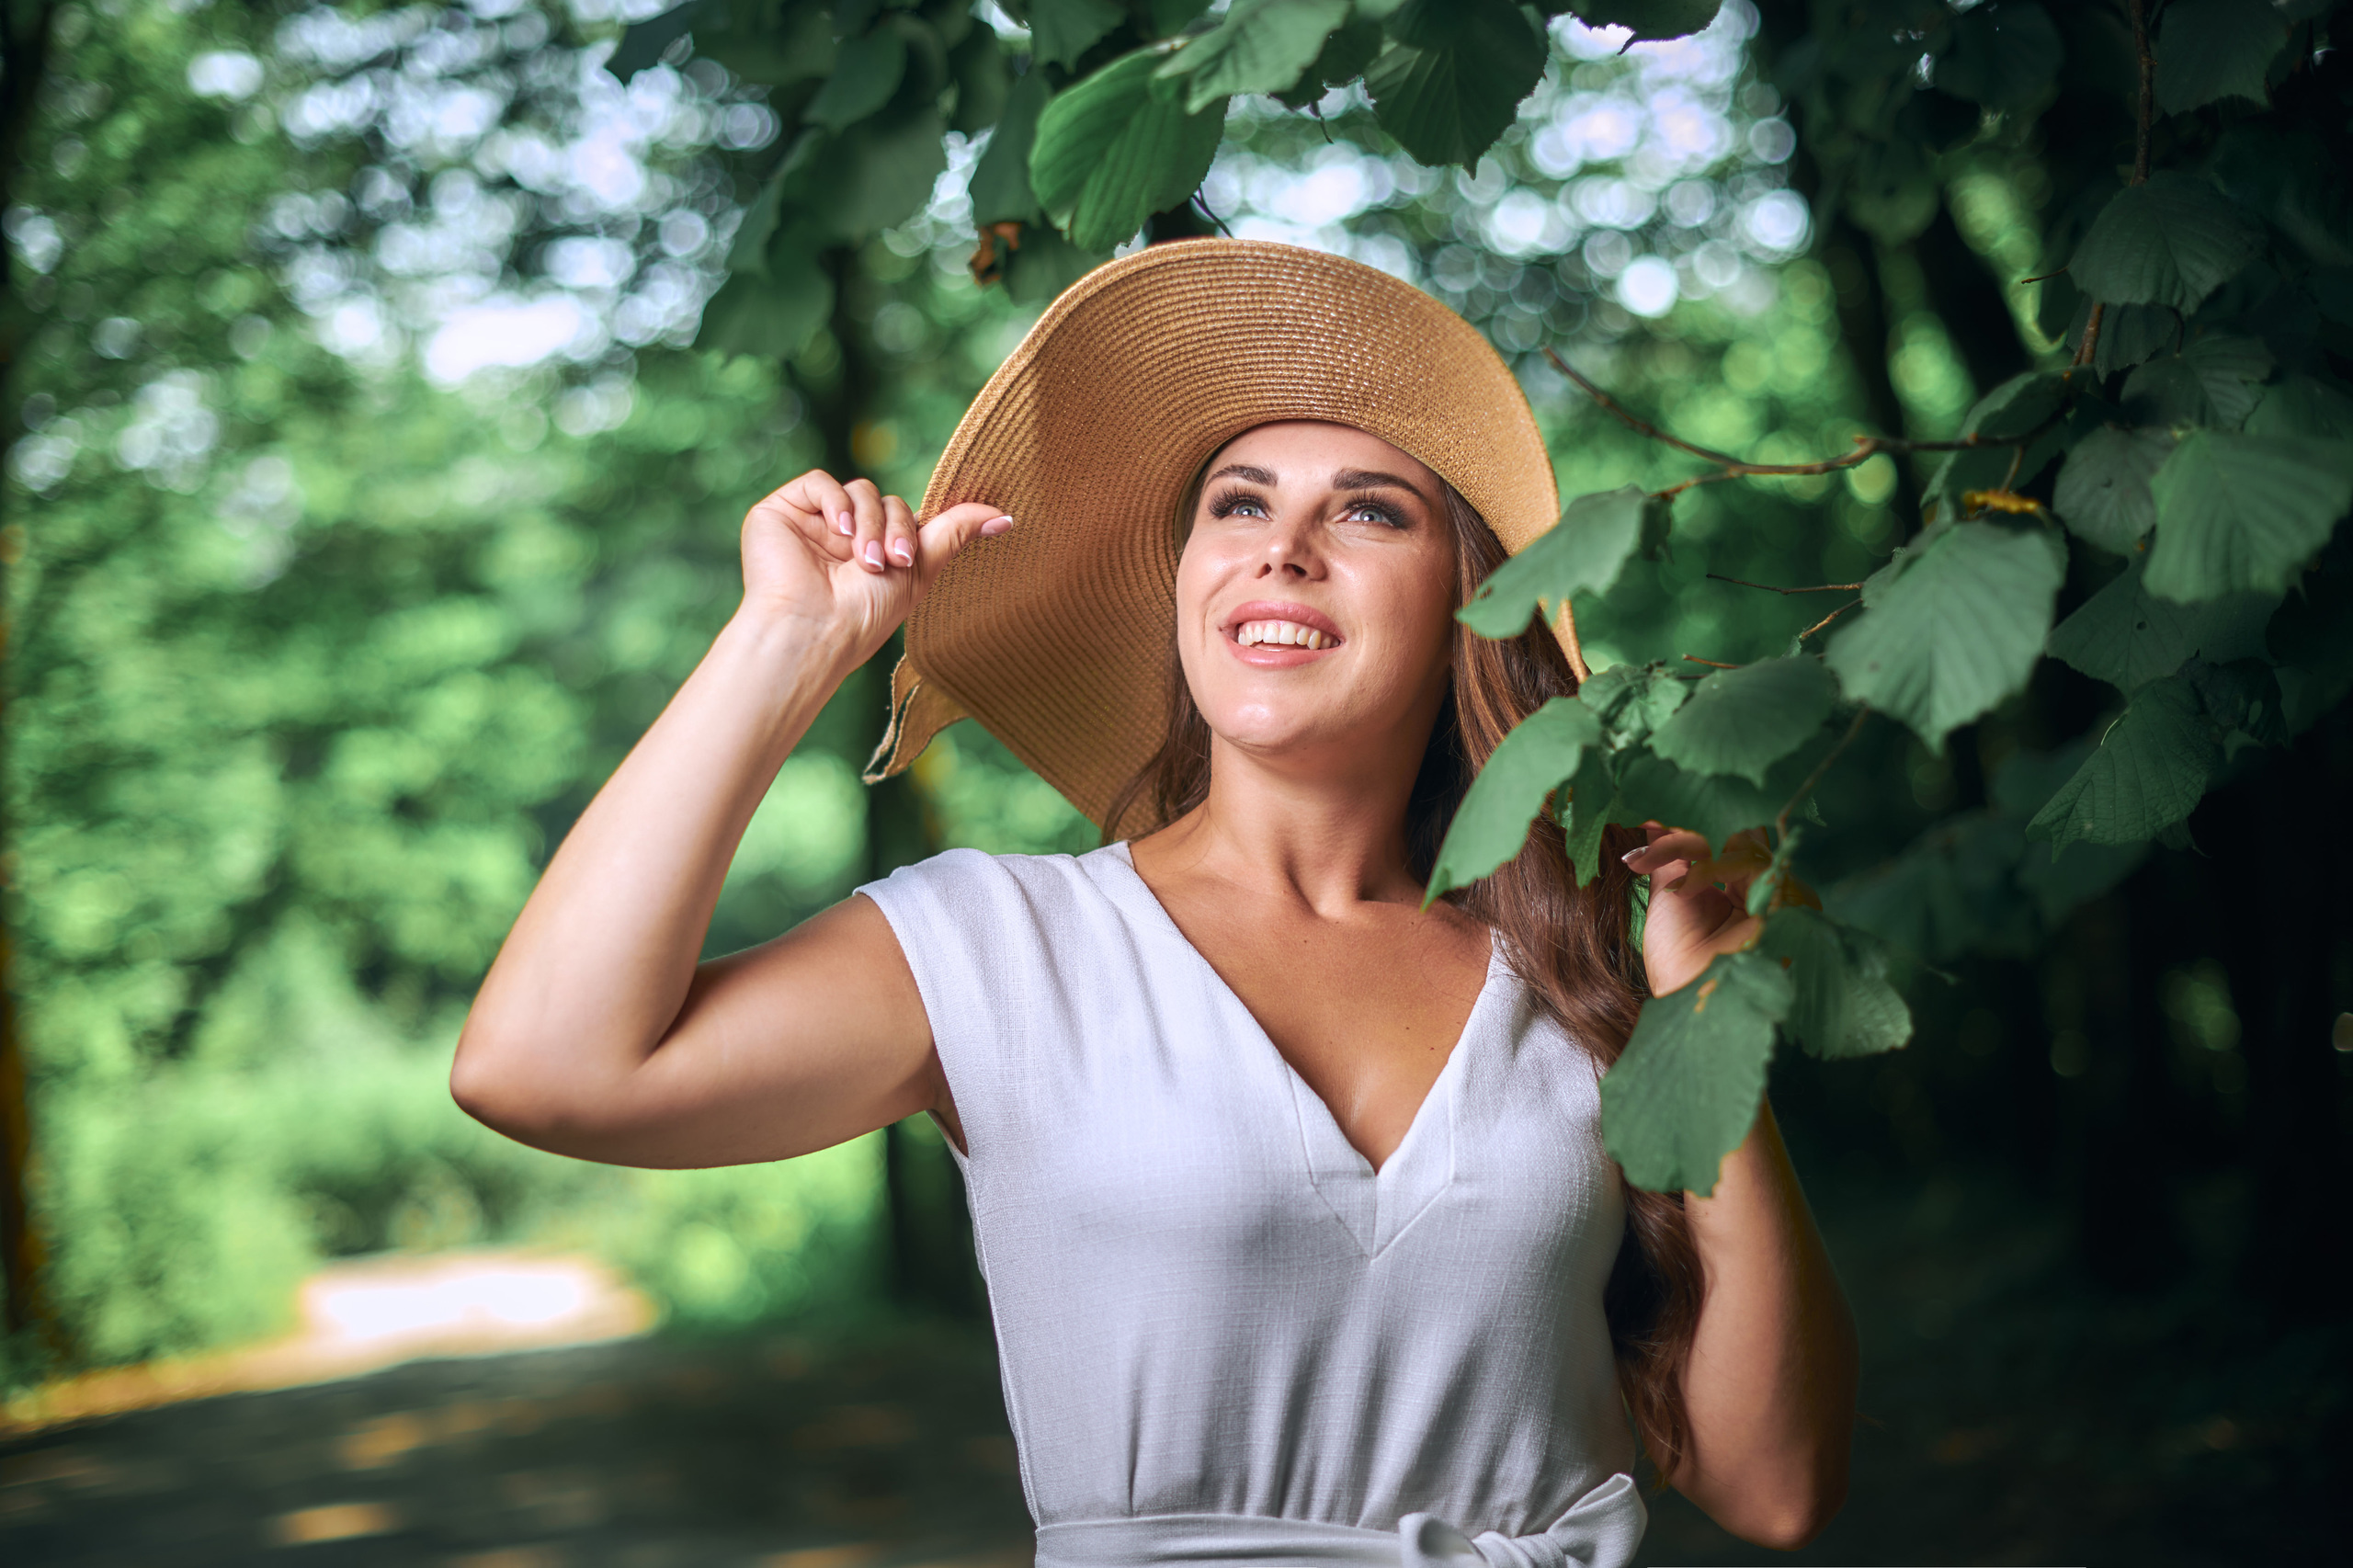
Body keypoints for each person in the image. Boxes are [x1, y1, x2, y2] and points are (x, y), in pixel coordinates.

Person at [453, 241, 1857, 1566]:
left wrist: (1710, 1020)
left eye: (1368, 509)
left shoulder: (1585, 969)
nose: (1281, 547)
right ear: (1186, 582)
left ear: (1472, 603)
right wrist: (786, 642)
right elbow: (543, 1068)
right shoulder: (1000, 948)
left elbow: (1773, 1484)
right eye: (1237, 503)